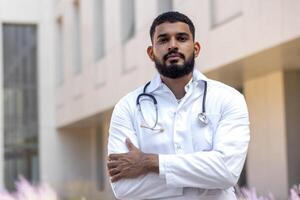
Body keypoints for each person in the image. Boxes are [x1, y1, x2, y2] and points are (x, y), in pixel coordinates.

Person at [107, 11, 250, 200]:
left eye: (181, 38)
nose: (173, 45)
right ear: (151, 52)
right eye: (163, 40)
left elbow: (227, 172)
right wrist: (206, 183)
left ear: (196, 48)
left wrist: (151, 162)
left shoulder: (228, 98)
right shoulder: (128, 107)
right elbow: (124, 188)